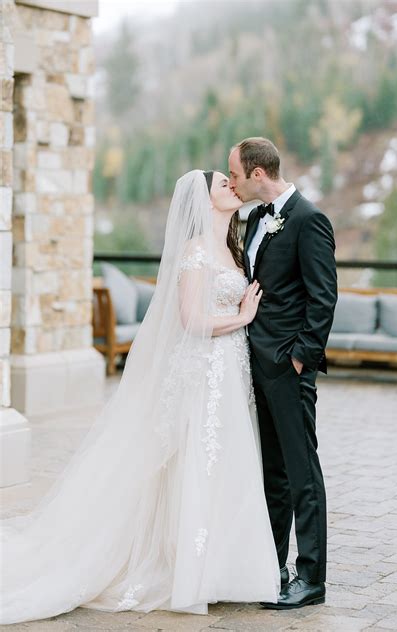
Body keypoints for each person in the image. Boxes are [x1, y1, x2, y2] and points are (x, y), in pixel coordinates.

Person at [0, 170, 281, 624]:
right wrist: (242, 316)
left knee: (227, 462)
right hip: (204, 373)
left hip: (231, 373)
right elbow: (191, 319)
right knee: (197, 463)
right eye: (222, 185)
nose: (231, 186)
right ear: (203, 201)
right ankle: (188, 569)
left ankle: (224, 567)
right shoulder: (194, 253)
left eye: (232, 182)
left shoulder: (231, 248)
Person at [229, 137, 338, 610]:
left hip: (288, 367)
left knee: (301, 473)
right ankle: (272, 567)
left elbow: (323, 297)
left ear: (257, 173)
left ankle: (311, 577)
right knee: (272, 473)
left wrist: (301, 358)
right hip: (256, 363)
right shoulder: (254, 218)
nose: (231, 182)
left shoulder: (309, 220)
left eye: (234, 173)